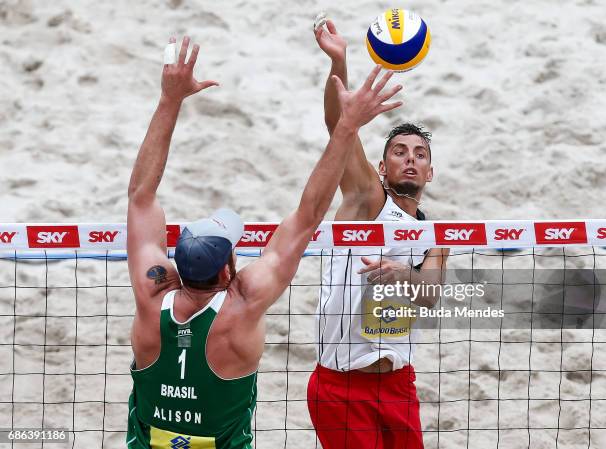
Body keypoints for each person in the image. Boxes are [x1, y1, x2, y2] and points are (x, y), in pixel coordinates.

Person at [125, 35, 404, 449]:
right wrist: (346, 126)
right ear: (226, 269)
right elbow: (308, 215)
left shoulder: (153, 295)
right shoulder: (241, 307)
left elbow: (140, 196)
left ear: (178, 267)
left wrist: (169, 99)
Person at [307, 18, 450, 449]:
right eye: (399, 152)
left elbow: (429, 295)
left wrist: (399, 275)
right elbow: (340, 128)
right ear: (383, 168)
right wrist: (339, 61)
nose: (410, 159)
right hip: (342, 387)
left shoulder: (435, 235)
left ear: (430, 171)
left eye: (420, 154)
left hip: (398, 385)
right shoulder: (367, 201)